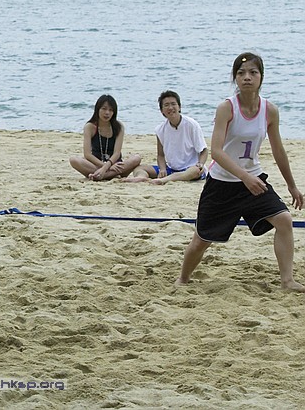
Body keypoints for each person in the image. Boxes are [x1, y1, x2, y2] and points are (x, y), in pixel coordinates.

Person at [176, 52, 305, 292]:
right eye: (241, 73)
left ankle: (287, 281)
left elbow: (278, 150)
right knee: (202, 240)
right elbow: (216, 151)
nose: (247, 77)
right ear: (235, 78)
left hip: (253, 180)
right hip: (222, 183)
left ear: (261, 77)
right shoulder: (227, 108)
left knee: (284, 220)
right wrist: (244, 177)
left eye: (253, 73)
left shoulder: (270, 110)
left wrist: (292, 186)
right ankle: (183, 279)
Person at [123, 90, 208, 185]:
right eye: (166, 105)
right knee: (140, 168)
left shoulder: (191, 125)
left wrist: (201, 164)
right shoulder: (160, 129)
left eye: (173, 104)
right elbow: (160, 155)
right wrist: (162, 169)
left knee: (195, 171)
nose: (170, 108)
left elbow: (203, 150)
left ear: (179, 107)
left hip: (190, 168)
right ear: (162, 110)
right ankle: (141, 178)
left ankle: (163, 180)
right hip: (171, 169)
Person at [69, 94, 141, 181]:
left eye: (111, 110)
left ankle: (102, 176)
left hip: (116, 165)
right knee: (74, 160)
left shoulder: (118, 127)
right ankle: (111, 175)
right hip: (97, 165)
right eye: (104, 109)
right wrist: (105, 167)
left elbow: (117, 153)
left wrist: (107, 166)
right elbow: (87, 154)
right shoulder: (90, 127)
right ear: (97, 109)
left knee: (136, 158)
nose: (107, 113)